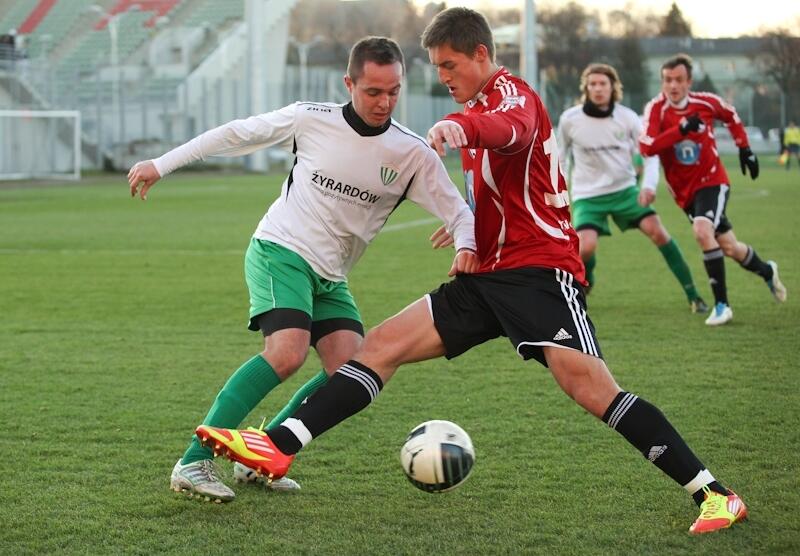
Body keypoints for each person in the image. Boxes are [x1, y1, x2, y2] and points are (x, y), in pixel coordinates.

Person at [197, 9, 749, 535]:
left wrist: (457, 127)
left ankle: (713, 493)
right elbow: (508, 184)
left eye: (448, 66)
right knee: (380, 346)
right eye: (436, 68)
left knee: (592, 390)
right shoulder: (487, 98)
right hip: (489, 274)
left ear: (480, 54)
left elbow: (506, 129)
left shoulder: (514, 97)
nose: (442, 78)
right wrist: (472, 230)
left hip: (538, 275)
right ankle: (279, 445)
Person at [127, 36, 478, 503]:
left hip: (331, 276)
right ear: (349, 83)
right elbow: (235, 134)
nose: (384, 101)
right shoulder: (311, 119)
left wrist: (466, 241)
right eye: (373, 91)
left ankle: (261, 454)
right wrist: (161, 164)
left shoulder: (411, 153)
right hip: (281, 249)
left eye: (394, 91)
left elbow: (459, 210)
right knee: (287, 353)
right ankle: (193, 460)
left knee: (353, 371)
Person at [639, 54, 786, 326]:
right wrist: (680, 130)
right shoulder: (656, 109)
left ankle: (722, 306)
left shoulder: (705, 102)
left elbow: (731, 115)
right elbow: (647, 146)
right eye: (668, 80)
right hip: (684, 193)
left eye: (679, 80)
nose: (673, 86)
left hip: (712, 181)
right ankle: (767, 270)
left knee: (702, 230)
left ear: (689, 82)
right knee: (729, 247)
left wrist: (744, 147)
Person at [557, 63, 707, 312]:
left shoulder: (628, 118)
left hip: (625, 191)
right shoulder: (569, 120)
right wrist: (561, 193)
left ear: (613, 87)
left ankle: (694, 296)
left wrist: (648, 187)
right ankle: (588, 281)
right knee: (586, 247)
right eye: (592, 84)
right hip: (588, 195)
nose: (598, 89)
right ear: (586, 88)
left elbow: (649, 154)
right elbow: (560, 158)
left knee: (658, 232)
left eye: (603, 83)